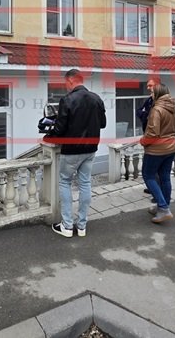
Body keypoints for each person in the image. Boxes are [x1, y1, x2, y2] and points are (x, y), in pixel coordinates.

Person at [48, 68, 107, 238]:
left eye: (66, 83)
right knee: (85, 183)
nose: (65, 86)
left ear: (71, 80)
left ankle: (67, 226)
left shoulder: (67, 100)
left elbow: (59, 129)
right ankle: (82, 226)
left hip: (72, 150)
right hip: (91, 149)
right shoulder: (96, 98)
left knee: (65, 182)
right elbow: (102, 124)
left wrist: (49, 133)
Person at [140, 83, 175, 223]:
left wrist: (143, 141)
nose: (151, 95)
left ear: (158, 94)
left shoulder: (156, 109)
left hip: (156, 150)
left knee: (148, 176)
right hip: (171, 147)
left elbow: (153, 133)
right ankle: (163, 207)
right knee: (165, 178)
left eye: (152, 93)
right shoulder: (173, 107)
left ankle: (163, 207)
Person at [136, 77, 160, 196]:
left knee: (152, 169)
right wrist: (144, 114)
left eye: (150, 85)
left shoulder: (160, 102)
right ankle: (153, 189)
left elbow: (150, 117)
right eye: (147, 85)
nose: (148, 88)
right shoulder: (149, 100)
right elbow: (139, 111)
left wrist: (145, 114)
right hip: (149, 137)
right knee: (150, 169)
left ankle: (158, 194)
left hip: (156, 140)